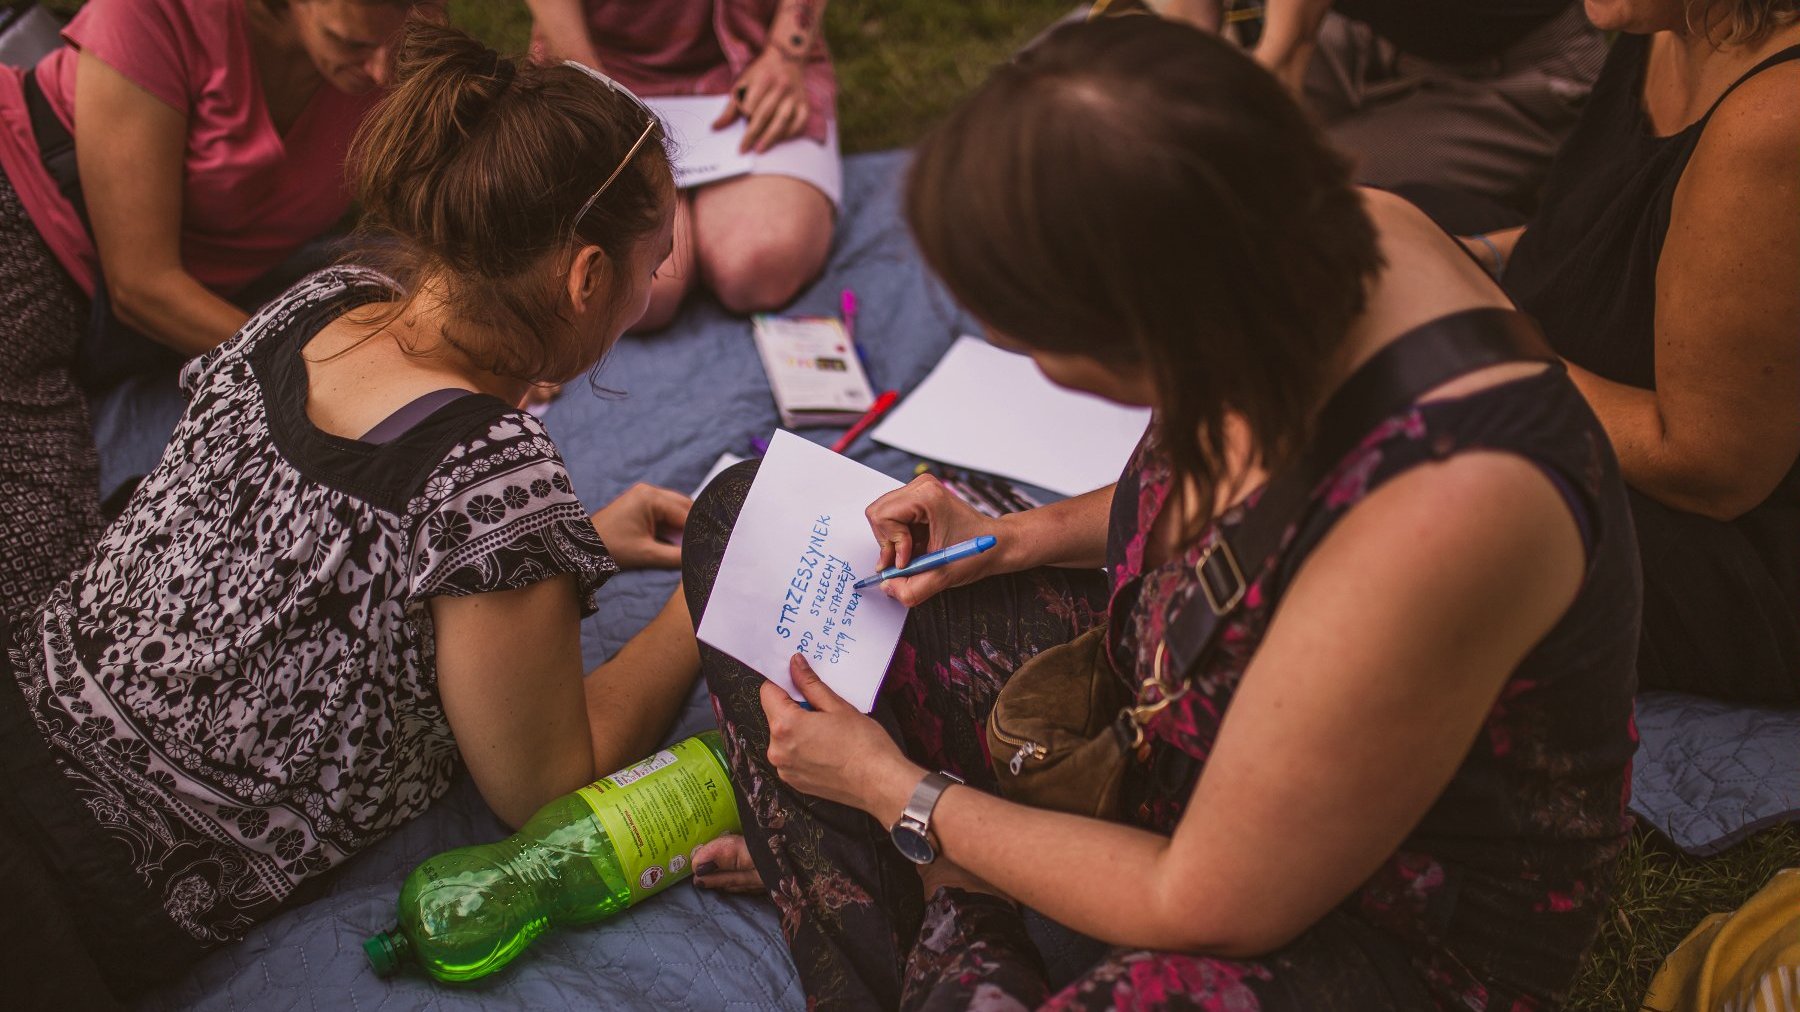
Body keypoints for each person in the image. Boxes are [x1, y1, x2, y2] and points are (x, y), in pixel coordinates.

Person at [681, 16, 1641, 1010]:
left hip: (1362, 918)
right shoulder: (1272, 260)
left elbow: (1213, 900)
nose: (1033, 367)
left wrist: (903, 796)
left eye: (1041, 345)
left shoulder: (1448, 509)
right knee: (753, 527)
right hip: (1162, 720)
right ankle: (945, 900)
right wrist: (1012, 536)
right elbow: (1223, 501)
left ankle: (940, 899)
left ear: (1146, 328)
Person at [0, 23, 701, 1005]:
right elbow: (545, 785)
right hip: (75, 889)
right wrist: (708, 593)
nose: (653, 286)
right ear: (586, 276)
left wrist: (560, 541)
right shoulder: (495, 482)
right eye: (653, 264)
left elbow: (344, 533)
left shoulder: (323, 300)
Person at [0, 0, 428, 623]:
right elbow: (142, 285)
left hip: (170, 301)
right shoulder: (158, 13)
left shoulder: (405, 45)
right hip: (25, 236)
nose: (383, 68)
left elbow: (444, 210)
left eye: (400, 38)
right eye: (353, 43)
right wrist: (330, 369)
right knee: (49, 611)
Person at [1482, 0, 1800, 703]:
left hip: (1725, 546)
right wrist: (1471, 254)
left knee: (1416, 499)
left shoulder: (1778, 118)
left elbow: (1709, 470)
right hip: (1571, 382)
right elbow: (1601, 222)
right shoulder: (1670, 20)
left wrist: (1467, 338)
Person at [525, 0, 839, 331]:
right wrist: (585, 75)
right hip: (602, 56)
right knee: (634, 290)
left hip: (758, 51)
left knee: (759, 265)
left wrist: (784, 55)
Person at [1157, 0, 1607, 223]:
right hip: (1369, 39)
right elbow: (1191, 39)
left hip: (1525, 69)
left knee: (1305, 199)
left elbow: (1287, 51)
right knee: (1195, 155)